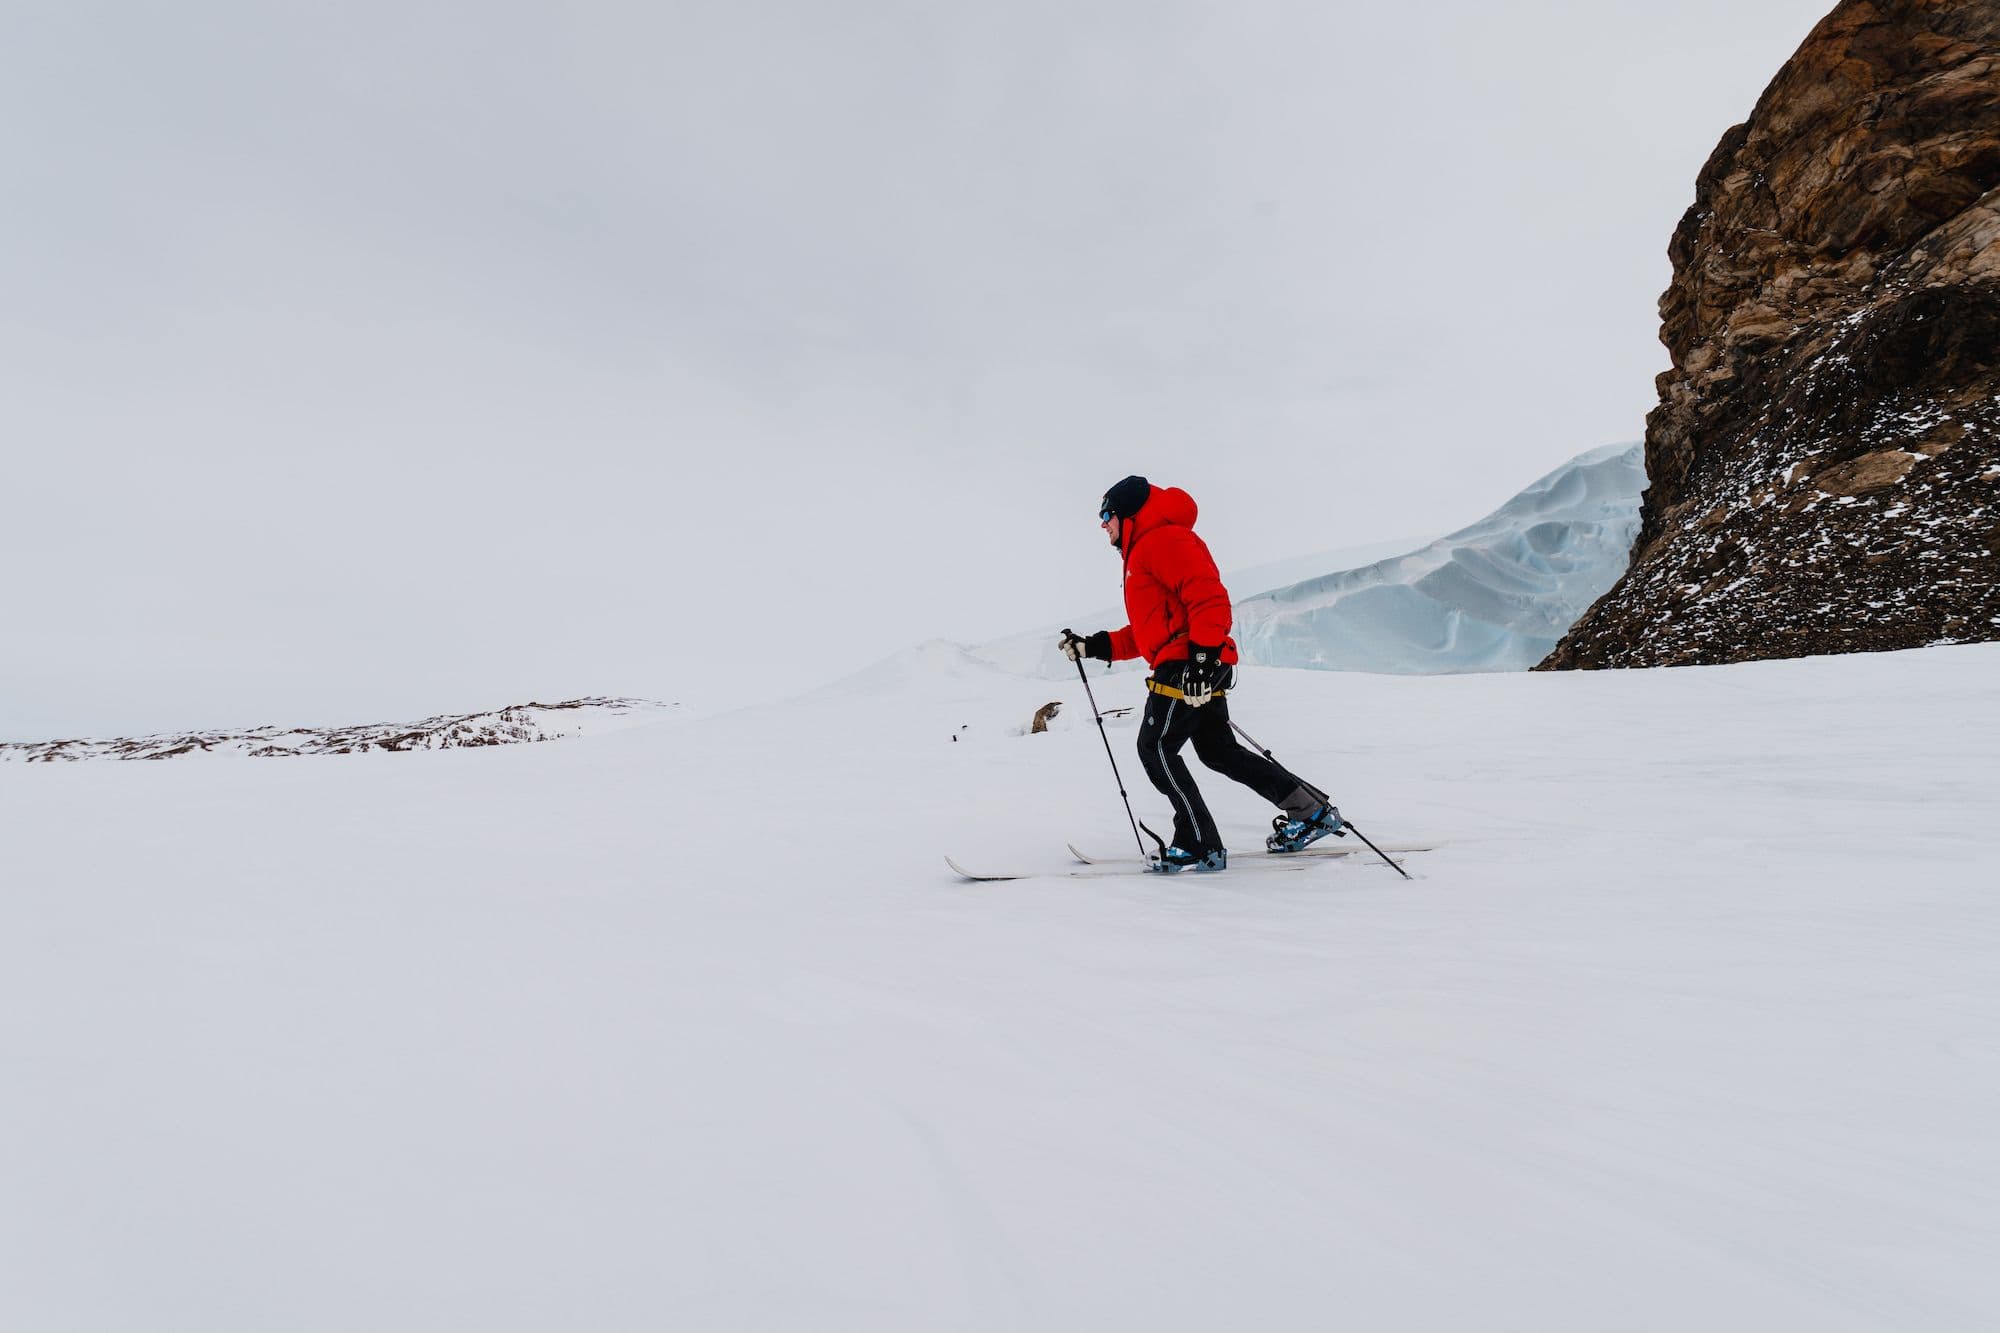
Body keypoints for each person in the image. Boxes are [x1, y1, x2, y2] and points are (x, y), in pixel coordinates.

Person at [1060, 475, 1342, 873]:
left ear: (1128, 514)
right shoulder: (1143, 551)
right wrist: (1093, 646)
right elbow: (1149, 633)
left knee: (1155, 748)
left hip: (1188, 665)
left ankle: (1197, 843)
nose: (1102, 524)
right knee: (1218, 751)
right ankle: (1310, 812)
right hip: (1192, 662)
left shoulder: (1162, 540)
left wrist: (1202, 662)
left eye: (1107, 515)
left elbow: (1209, 597)